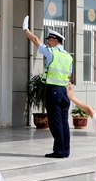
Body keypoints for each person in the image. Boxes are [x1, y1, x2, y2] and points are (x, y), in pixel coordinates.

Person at [22, 16, 73, 158]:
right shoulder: (69, 56)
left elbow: (35, 40)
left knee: (55, 123)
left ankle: (59, 151)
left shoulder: (52, 52)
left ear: (55, 41)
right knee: (64, 123)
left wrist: (26, 29)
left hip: (54, 91)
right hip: (64, 92)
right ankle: (65, 150)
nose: (47, 42)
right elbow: (69, 75)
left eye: (49, 39)